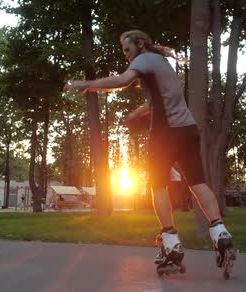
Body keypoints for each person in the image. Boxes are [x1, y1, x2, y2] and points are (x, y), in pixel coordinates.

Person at [65, 30, 236, 276]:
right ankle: (221, 235)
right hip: (188, 129)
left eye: (127, 49)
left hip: (165, 133)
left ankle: (171, 244)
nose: (126, 55)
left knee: (158, 187)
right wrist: (138, 113)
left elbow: (122, 80)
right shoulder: (163, 63)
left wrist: (88, 85)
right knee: (198, 184)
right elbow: (160, 101)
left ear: (141, 43)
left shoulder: (142, 60)